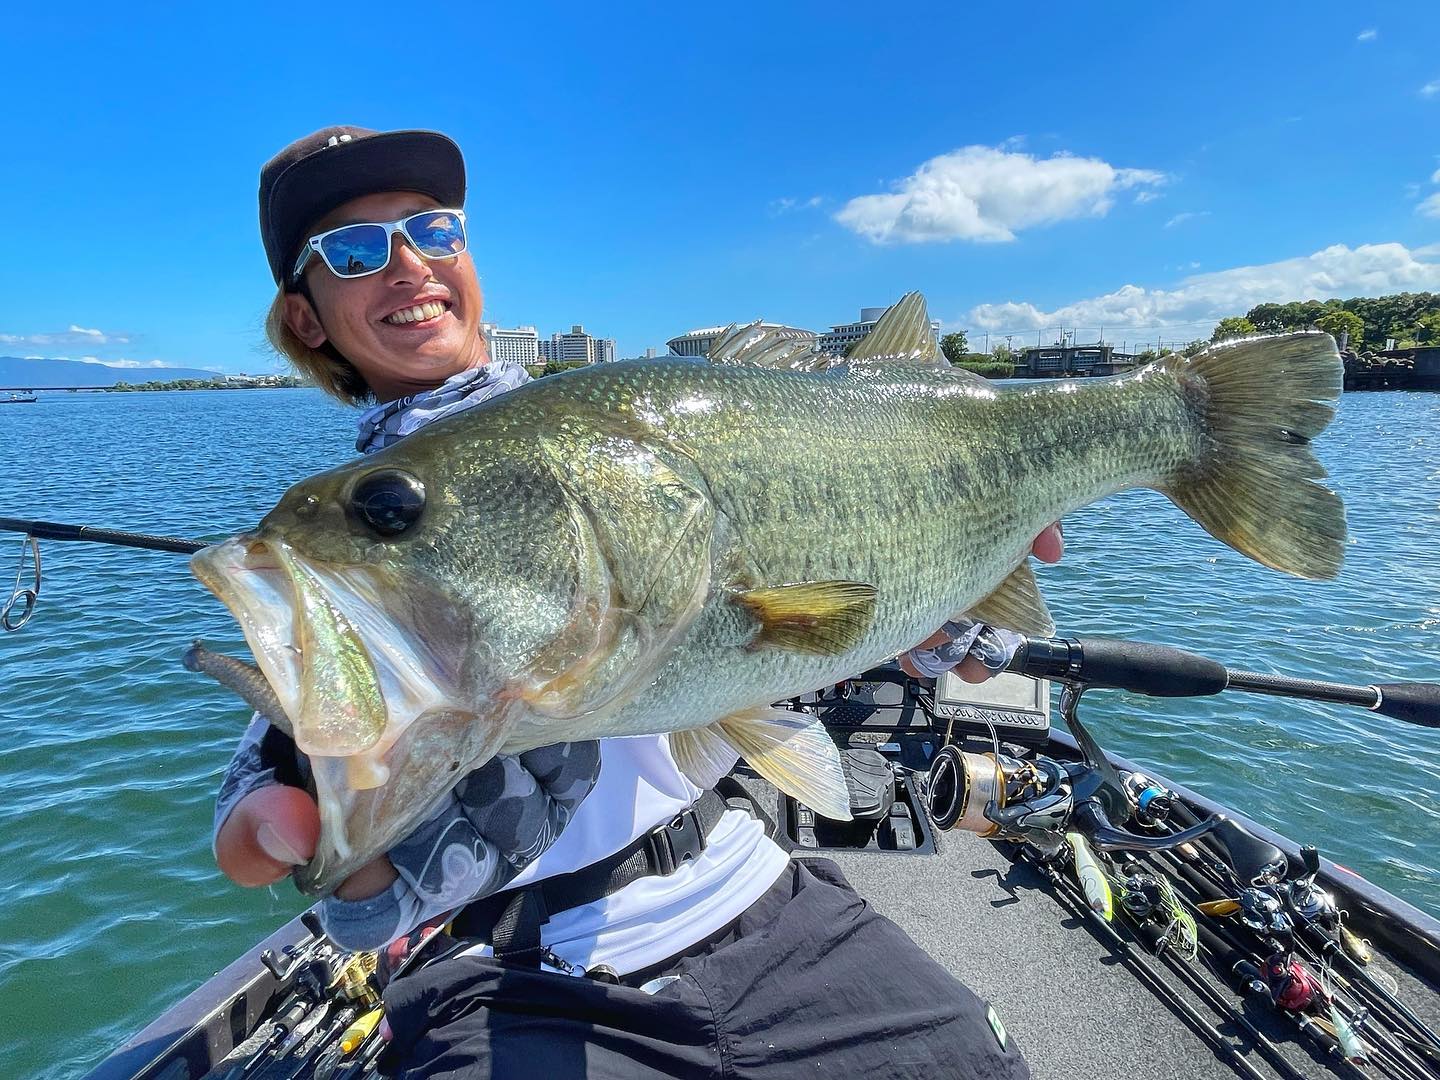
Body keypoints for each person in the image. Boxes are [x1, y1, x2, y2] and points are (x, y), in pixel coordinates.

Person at [217, 125, 1062, 1079]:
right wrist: (296, 825)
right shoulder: (355, 558)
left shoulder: (606, 427)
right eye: (354, 250)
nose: (409, 263)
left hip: (749, 883)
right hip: (510, 972)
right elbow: (268, 803)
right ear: (306, 318)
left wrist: (940, 615)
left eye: (434, 228)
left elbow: (841, 627)